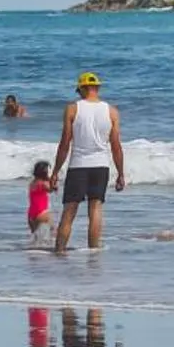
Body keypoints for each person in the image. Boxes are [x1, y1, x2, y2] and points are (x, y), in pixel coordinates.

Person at [51, 73, 124, 252]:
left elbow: (65, 143)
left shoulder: (73, 109)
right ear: (97, 88)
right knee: (96, 208)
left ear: (82, 88)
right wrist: (121, 173)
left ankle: (59, 251)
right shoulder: (112, 111)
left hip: (78, 166)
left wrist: (55, 172)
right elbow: (116, 146)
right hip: (101, 166)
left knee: (69, 210)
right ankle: (93, 252)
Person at [27, 159, 56, 245]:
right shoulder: (43, 183)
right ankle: (54, 251)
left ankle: (34, 254)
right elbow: (51, 189)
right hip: (42, 212)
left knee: (35, 237)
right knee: (53, 232)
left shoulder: (32, 183)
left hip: (31, 214)